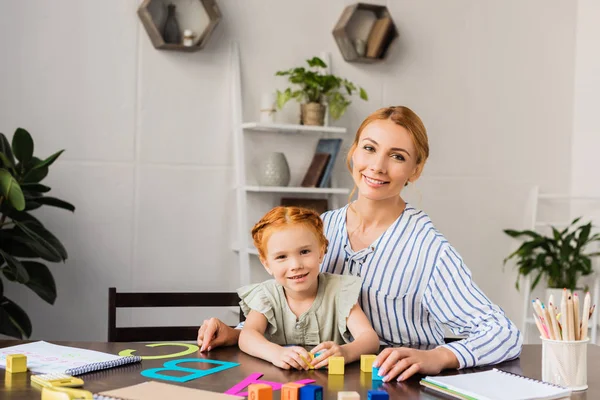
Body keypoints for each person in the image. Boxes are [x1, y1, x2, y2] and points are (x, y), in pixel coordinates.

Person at [197, 106, 523, 382]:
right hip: (323, 381)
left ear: (416, 169)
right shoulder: (319, 230)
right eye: (369, 148)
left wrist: (438, 357)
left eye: (397, 156)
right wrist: (236, 333)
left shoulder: (429, 250)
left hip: (395, 386)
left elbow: (505, 334)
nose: (377, 166)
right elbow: (288, 307)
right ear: (353, 152)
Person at [238, 206, 380, 370]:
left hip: (332, 385)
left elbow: (369, 338)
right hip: (280, 384)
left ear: (320, 252)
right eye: (281, 257)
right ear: (267, 264)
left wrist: (345, 352)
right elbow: (247, 336)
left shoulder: (340, 291)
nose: (296, 265)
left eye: (304, 251)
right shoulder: (266, 296)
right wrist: (275, 353)